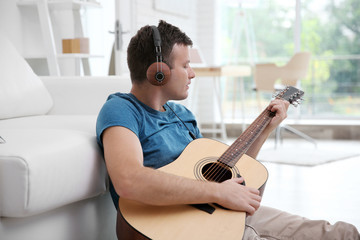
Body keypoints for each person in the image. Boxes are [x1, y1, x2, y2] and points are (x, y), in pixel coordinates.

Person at [96, 20, 359, 239]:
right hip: (175, 227)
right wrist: (218, 192)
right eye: (185, 65)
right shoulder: (121, 109)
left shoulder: (183, 116)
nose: (192, 73)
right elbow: (129, 180)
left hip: (219, 214)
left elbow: (222, 174)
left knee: (339, 233)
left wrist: (265, 129)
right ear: (158, 72)